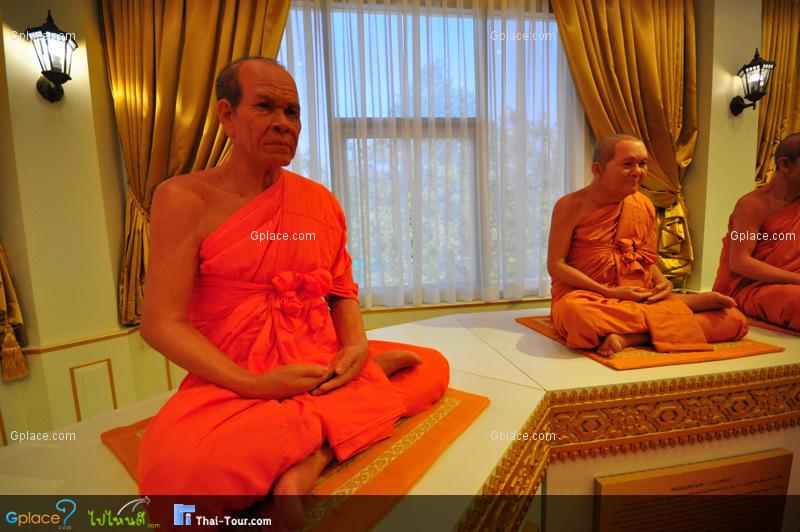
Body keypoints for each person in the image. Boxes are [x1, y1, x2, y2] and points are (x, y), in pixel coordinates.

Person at [137, 57, 449, 526]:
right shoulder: (183, 198)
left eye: (293, 112)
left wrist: (356, 346)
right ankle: (361, 397)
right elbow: (162, 324)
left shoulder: (318, 200)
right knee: (177, 486)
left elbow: (340, 290)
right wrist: (255, 385)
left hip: (319, 362)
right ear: (227, 115)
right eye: (266, 107)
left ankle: (313, 457)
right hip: (237, 376)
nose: (285, 124)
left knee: (433, 367)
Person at [547, 134, 748, 356]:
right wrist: (608, 291)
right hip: (585, 294)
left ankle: (633, 337)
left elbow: (644, 259)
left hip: (636, 294)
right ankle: (683, 305)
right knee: (579, 318)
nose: (638, 172)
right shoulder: (570, 205)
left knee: (733, 320)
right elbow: (556, 265)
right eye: (627, 164)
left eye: (642, 164)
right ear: (598, 169)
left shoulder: (643, 205)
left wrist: (663, 283)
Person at [713, 132, 800, 331]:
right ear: (785, 165)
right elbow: (740, 262)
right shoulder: (752, 205)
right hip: (754, 288)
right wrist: (796, 280)